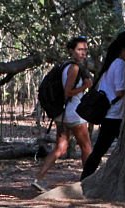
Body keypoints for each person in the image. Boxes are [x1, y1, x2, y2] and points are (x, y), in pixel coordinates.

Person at [32, 37, 94, 192]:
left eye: (85, 50)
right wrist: (85, 87)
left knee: (61, 147)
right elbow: (68, 92)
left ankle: (38, 178)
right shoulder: (73, 68)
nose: (83, 53)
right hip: (74, 113)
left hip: (63, 114)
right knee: (87, 147)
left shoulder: (65, 66)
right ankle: (88, 181)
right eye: (80, 49)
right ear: (71, 51)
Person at [80, 31, 125, 180]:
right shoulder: (120, 64)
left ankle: (86, 177)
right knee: (100, 150)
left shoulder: (112, 63)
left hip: (112, 113)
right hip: (115, 115)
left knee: (100, 150)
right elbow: (120, 91)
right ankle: (85, 179)